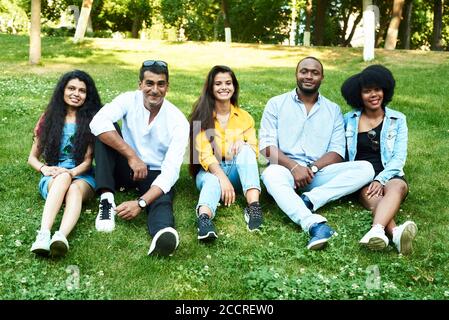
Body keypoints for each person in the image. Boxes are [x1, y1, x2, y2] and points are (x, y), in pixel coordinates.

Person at [259, 56, 374, 250]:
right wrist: (294, 167)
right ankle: (313, 224)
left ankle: (309, 200)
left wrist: (311, 168)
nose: (309, 76)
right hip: (285, 169)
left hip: (318, 172)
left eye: (315, 72)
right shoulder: (276, 104)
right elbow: (266, 147)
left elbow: (337, 152)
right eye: (304, 71)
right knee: (269, 174)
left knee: (366, 168)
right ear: (296, 74)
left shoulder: (333, 109)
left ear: (322, 77)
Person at [89, 60, 189, 257]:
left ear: (167, 87)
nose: (155, 90)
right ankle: (107, 202)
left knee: (161, 197)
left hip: (154, 172)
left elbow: (170, 173)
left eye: (161, 84)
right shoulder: (128, 99)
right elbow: (97, 122)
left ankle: (162, 234)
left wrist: (141, 203)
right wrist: (132, 156)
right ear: (140, 85)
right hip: (124, 166)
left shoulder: (179, 122)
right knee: (106, 131)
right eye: (149, 83)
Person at [341, 64, 417, 254]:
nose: (373, 95)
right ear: (359, 95)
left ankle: (376, 231)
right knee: (376, 199)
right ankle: (396, 233)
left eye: (377, 89)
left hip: (390, 173)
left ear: (385, 90)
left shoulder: (398, 119)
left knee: (397, 187)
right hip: (361, 177)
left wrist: (380, 179)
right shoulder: (348, 120)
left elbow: (399, 158)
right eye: (367, 91)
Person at [28, 70, 102, 257]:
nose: (76, 94)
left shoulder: (90, 120)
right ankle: (44, 235)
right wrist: (44, 169)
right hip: (53, 176)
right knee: (61, 179)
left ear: (88, 95)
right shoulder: (50, 117)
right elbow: (32, 158)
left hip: (81, 176)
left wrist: (71, 173)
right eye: (71, 88)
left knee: (74, 189)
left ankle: (60, 236)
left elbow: (87, 162)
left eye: (82, 91)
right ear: (62, 90)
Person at [189, 65, 263, 241]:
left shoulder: (245, 117)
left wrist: (243, 142)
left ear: (234, 87)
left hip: (237, 172)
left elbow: (254, 147)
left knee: (246, 150)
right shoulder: (201, 117)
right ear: (211, 88)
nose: (224, 87)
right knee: (213, 180)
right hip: (209, 172)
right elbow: (205, 155)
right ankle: (204, 220)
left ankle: (254, 207)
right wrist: (222, 179)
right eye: (218, 84)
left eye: (228, 83)